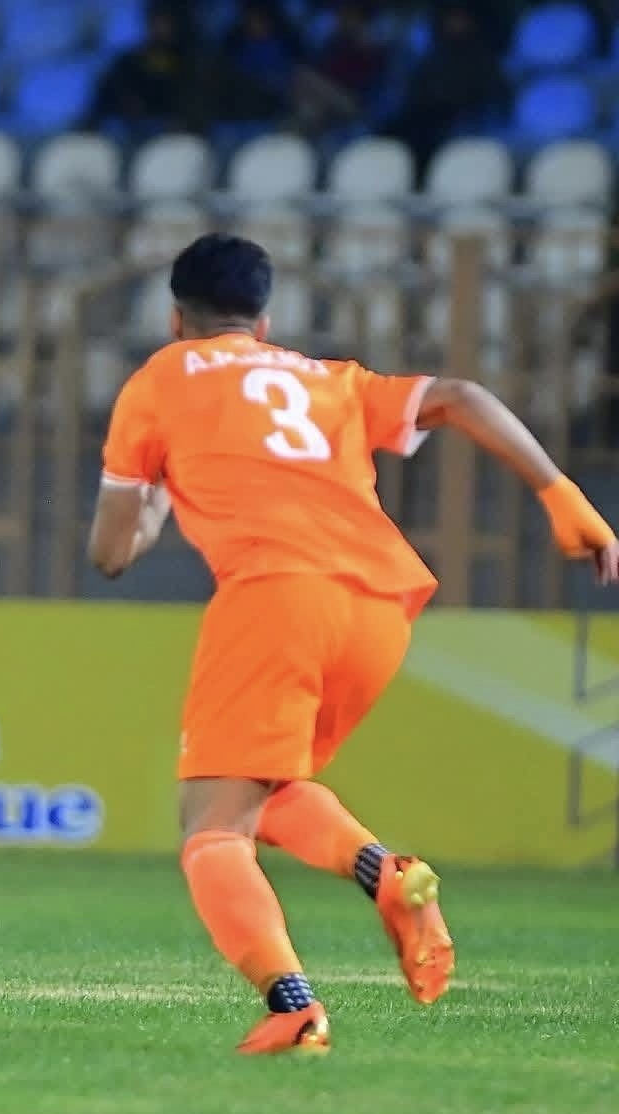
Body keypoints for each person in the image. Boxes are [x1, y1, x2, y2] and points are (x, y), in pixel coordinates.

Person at [86, 233, 619, 1055]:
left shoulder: (159, 378)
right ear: (264, 321)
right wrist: (561, 494)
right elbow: (461, 395)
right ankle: (387, 874)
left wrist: (155, 501)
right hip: (381, 606)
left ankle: (294, 1006)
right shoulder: (326, 377)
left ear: (175, 318)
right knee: (265, 791)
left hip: (276, 594)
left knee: (211, 831)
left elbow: (111, 554)